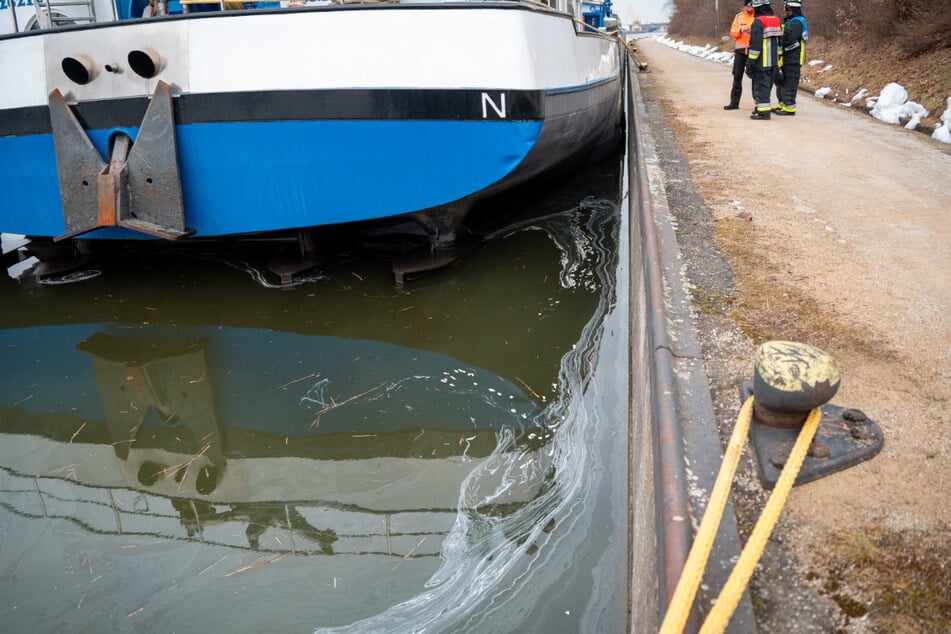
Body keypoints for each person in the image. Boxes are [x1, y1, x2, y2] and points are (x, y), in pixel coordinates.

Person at [745, 0, 783, 120]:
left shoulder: (758, 22)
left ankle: (763, 112)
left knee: (761, 86)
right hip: (773, 61)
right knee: (767, 86)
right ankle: (759, 109)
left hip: (762, 61)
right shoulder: (776, 20)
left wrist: (750, 61)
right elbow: (780, 42)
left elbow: (755, 45)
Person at [774, 0, 808, 115]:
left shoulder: (797, 22)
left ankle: (789, 108)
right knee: (782, 82)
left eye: (786, 7)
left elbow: (788, 38)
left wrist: (779, 36)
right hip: (786, 57)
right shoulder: (790, 21)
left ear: (791, 8)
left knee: (790, 82)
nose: (785, 10)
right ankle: (782, 105)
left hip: (793, 58)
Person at [724, 0, 755, 110]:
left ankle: (758, 104)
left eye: (752, 5)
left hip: (754, 51)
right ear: (745, 6)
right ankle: (734, 103)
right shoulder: (739, 16)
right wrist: (741, 31)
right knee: (737, 76)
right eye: (748, 5)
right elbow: (732, 32)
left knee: (755, 77)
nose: (750, 7)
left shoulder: (759, 15)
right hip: (740, 51)